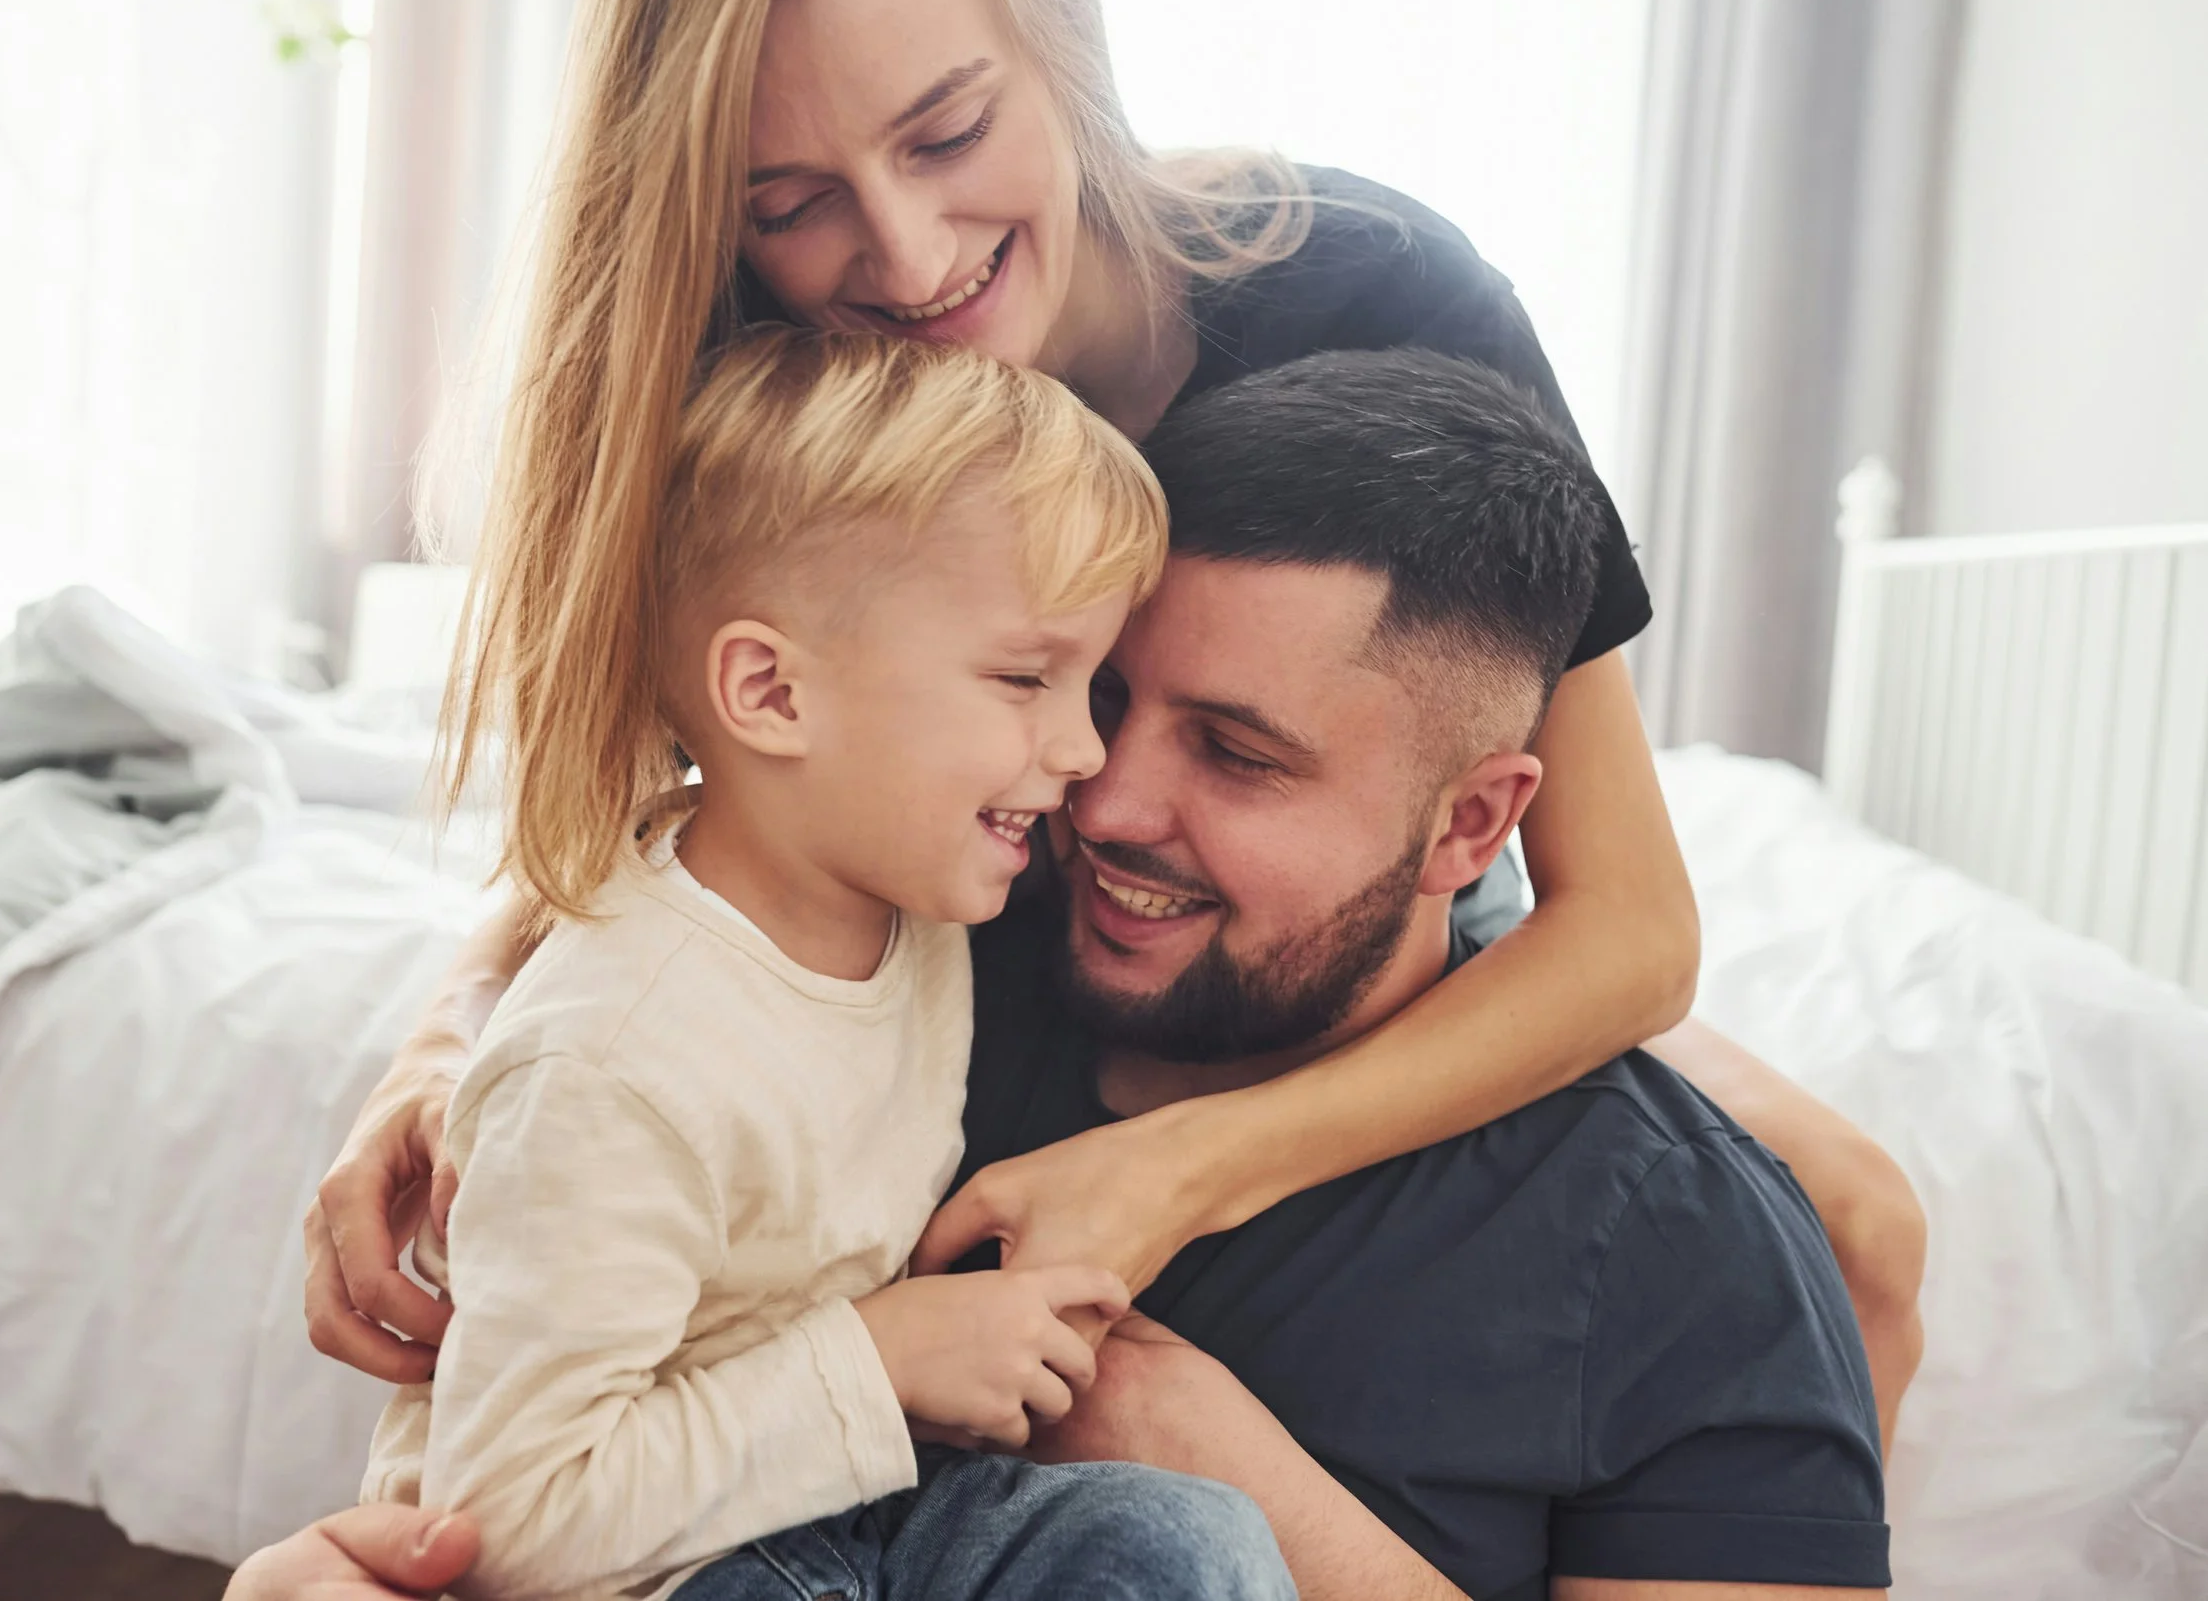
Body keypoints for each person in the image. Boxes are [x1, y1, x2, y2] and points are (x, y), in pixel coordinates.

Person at [304, 0, 1923, 1445]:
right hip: (949, 944)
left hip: (1319, 941)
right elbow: (675, 799)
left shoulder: (1374, 298)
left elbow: (1632, 924)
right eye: (791, 199)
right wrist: (442, 1041)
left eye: (947, 133)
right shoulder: (759, 373)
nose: (908, 250)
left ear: (1056, 37)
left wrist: (1180, 1170)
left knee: (1854, 1222)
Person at [240, 348, 1890, 1601]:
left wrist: (1241, 1484)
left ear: (1472, 822)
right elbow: (667, 875)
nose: (1097, 786)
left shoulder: (1683, 1252)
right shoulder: (926, 920)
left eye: (1235, 754)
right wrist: (440, 1039)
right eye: (1079, 685)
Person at [357, 328, 1333, 1601]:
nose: (1085, 753)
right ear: (770, 691)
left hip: (850, 1501)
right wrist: (874, 1366)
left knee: (1182, 1546)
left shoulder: (907, 886)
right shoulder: (611, 1061)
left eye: (1086, 683)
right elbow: (507, 1520)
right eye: (1025, 677)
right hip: (646, 1567)